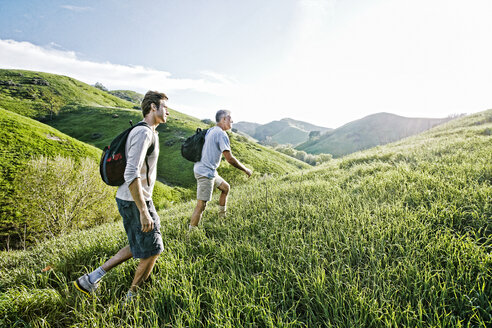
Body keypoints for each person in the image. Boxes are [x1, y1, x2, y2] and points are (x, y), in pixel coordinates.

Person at [74, 90, 169, 301]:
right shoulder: (144, 133)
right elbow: (131, 172)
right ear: (153, 107)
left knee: (140, 243)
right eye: (165, 107)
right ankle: (131, 299)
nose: (168, 112)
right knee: (154, 249)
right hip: (135, 200)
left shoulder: (149, 132)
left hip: (133, 198)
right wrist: (144, 211)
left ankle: (90, 279)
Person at [189, 109, 252, 229]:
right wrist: (245, 169)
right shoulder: (221, 134)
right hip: (205, 172)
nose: (232, 121)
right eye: (230, 118)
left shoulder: (212, 130)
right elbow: (229, 159)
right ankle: (190, 234)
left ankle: (222, 217)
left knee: (225, 188)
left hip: (208, 170)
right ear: (223, 119)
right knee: (201, 205)